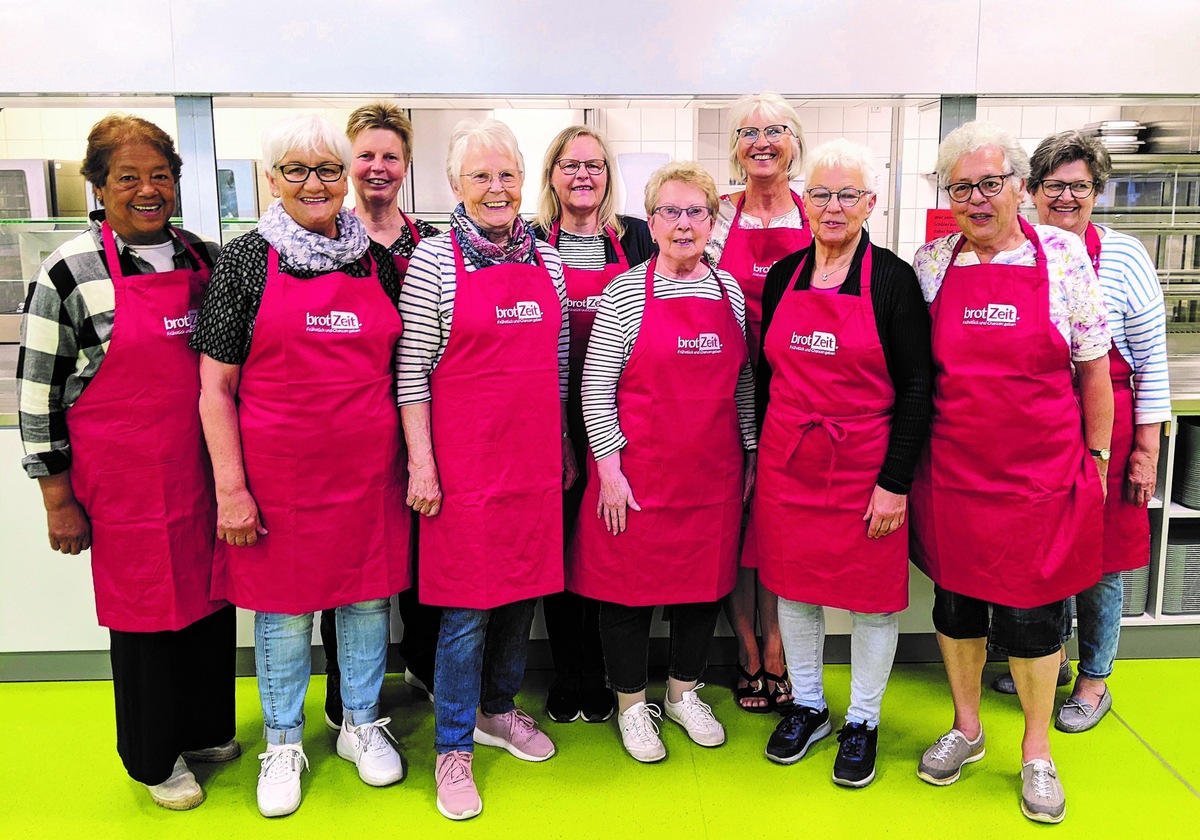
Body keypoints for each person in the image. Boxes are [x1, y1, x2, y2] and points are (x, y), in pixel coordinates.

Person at [16, 114, 236, 811]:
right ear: (98, 186)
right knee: (145, 619)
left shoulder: (203, 257)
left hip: (203, 474)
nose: (148, 190)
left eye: (160, 176)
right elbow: (37, 391)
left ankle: (203, 730)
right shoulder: (70, 269)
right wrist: (57, 497)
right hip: (125, 485)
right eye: (128, 177)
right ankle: (152, 759)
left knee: (208, 603)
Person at [194, 113, 410, 818]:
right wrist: (232, 490)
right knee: (284, 615)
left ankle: (358, 723)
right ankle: (283, 740)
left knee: (365, 601)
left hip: (367, 475)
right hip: (278, 480)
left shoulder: (373, 260)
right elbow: (215, 389)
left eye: (326, 169)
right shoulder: (246, 259)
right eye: (297, 169)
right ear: (271, 178)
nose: (315, 183)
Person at [910, 121, 1113, 825]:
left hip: (1039, 478)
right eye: (961, 186)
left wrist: (1097, 460)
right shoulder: (933, 261)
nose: (975, 198)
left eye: (989, 183)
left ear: (1018, 188)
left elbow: (1093, 369)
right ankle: (968, 729)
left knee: (1032, 620)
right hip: (955, 474)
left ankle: (1035, 750)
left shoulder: (1061, 256)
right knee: (956, 608)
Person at [400, 118, 572, 821]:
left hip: (530, 461)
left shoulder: (549, 263)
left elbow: (558, 369)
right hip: (464, 471)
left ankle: (498, 711)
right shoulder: (435, 264)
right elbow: (411, 375)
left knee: (523, 594)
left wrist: (563, 446)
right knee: (466, 611)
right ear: (456, 187)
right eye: (481, 177)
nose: (496, 189)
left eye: (506, 175)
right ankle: (453, 747)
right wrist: (422, 465)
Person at [754, 140, 933, 787]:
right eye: (823, 194)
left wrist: (893, 483)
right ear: (805, 203)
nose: (833, 207)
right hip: (789, 461)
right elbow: (764, 375)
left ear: (870, 204)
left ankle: (862, 720)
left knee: (872, 603)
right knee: (795, 591)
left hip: (864, 466)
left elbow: (917, 386)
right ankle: (808, 706)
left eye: (847, 195)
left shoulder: (890, 280)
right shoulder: (783, 278)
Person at [568, 161, 757, 763]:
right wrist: (610, 469)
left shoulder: (727, 291)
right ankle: (631, 705)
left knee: (701, 591)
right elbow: (596, 385)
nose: (683, 224)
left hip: (713, 473)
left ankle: (681, 693)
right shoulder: (626, 291)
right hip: (639, 474)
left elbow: (744, 383)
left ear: (711, 221)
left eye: (695, 212)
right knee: (627, 595)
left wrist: (750, 449)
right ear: (651, 221)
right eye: (670, 212)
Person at [988, 130, 1169, 733]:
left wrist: (1145, 450)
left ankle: (1094, 678)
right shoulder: (1012, 251)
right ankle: (1047, 661)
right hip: (1034, 430)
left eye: (1080, 187)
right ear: (1030, 192)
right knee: (1042, 553)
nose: (1066, 198)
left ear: (1097, 192)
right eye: (1054, 186)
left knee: (1103, 561)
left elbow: (1151, 360)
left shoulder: (1123, 256)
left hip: (1105, 427)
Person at [319, 102, 443, 727]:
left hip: (421, 423)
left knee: (424, 555)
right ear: (348, 162)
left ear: (406, 164)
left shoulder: (429, 244)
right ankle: (346, 697)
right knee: (346, 565)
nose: (377, 167)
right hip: (347, 426)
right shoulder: (322, 240)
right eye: (365, 155)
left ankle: (423, 665)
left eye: (389, 156)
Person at [532, 125, 655, 725]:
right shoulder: (529, 244)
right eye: (571, 164)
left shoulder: (635, 239)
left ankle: (608, 673)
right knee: (557, 552)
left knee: (607, 550)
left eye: (596, 166)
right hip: (550, 422)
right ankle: (568, 673)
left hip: (619, 423)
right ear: (552, 174)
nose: (584, 176)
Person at [705, 91, 812, 712]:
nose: (762, 141)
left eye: (775, 130)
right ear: (735, 149)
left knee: (778, 524)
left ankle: (778, 646)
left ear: (794, 142)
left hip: (797, 389)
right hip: (720, 386)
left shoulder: (817, 212)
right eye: (749, 133)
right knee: (731, 520)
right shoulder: (715, 215)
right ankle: (746, 646)